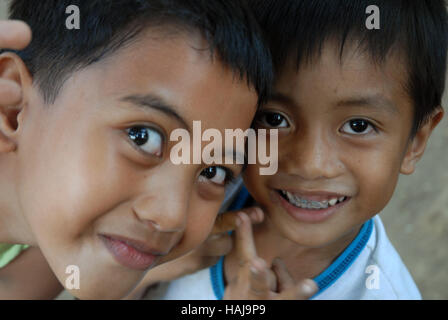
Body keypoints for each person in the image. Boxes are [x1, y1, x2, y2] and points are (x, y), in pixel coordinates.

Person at [140, 0, 447, 300]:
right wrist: (155, 267)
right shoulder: (200, 193)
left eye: (358, 126)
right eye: (274, 119)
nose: (310, 164)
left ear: (415, 141)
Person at [0, 0, 273, 299]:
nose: (171, 216)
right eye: (142, 137)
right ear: (13, 108)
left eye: (213, 172)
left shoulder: (40, 223)